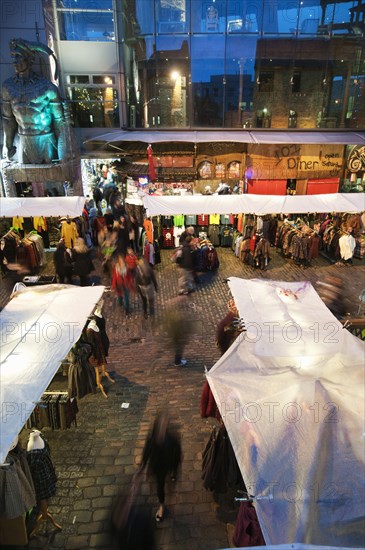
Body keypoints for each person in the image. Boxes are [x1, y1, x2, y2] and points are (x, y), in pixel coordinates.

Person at [1, 38, 68, 164]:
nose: (15, 61)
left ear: (30, 59)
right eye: (13, 57)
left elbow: (59, 122)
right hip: (23, 140)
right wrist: (7, 144)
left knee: (51, 179)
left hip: (46, 140)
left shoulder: (47, 87)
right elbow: (8, 119)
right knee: (27, 178)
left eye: (18, 56)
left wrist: (63, 149)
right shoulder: (8, 87)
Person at [138, 410, 182, 523]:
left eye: (164, 424)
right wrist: (143, 464)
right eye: (161, 424)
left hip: (167, 466)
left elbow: (177, 455)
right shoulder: (152, 437)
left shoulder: (172, 439)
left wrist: (174, 470)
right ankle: (162, 504)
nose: (162, 426)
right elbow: (146, 451)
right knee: (159, 487)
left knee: (166, 487)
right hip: (156, 467)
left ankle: (163, 504)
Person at [162, 295, 192, 367]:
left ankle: (178, 359)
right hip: (178, 334)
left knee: (178, 347)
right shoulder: (178, 316)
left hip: (176, 334)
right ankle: (178, 362)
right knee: (179, 347)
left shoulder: (172, 312)